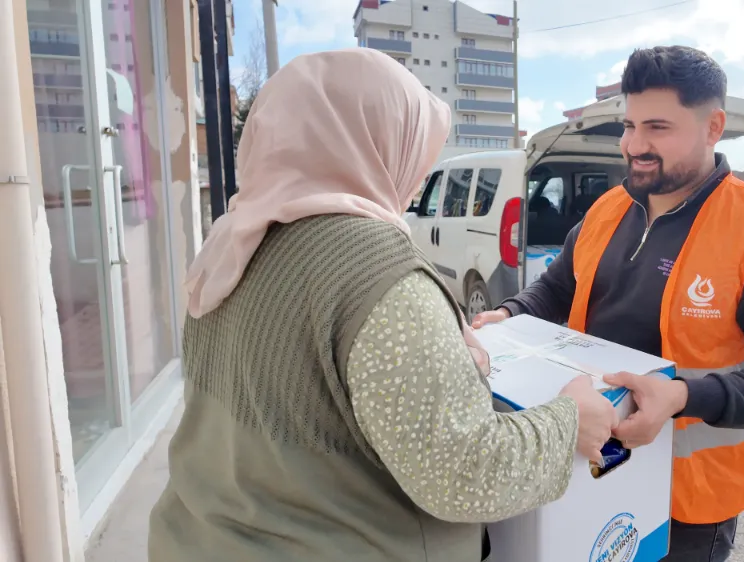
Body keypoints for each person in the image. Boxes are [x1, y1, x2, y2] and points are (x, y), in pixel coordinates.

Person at [147, 48, 618, 562]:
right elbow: (463, 473)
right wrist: (570, 420)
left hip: (197, 536)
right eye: (416, 150)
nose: (416, 176)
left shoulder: (231, 241)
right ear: (374, 141)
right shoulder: (377, 273)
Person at [473, 45, 744, 562]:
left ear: (713, 127)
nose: (634, 145)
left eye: (658, 128)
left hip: (689, 502)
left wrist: (684, 396)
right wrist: (508, 313)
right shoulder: (607, 208)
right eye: (629, 126)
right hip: (591, 467)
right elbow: (556, 288)